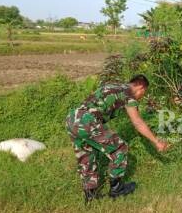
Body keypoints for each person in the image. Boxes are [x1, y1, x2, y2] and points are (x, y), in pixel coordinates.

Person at [65, 74, 168, 203]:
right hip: (87, 121)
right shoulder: (129, 94)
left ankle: (90, 195)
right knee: (120, 148)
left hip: (72, 119)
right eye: (144, 93)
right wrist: (156, 141)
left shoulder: (115, 86)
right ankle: (117, 189)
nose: (143, 96)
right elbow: (137, 122)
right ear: (141, 87)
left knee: (86, 156)